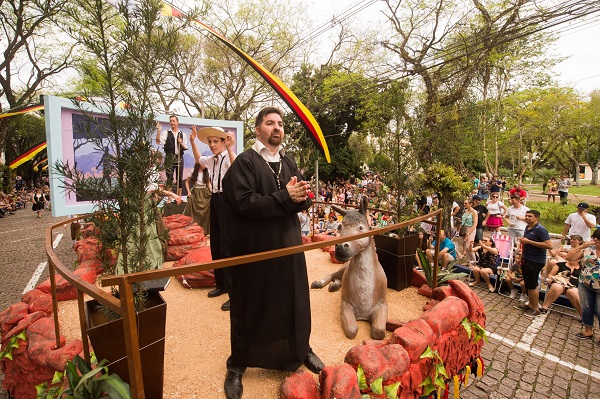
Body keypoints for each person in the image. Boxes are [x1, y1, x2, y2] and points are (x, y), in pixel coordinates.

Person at [221, 107, 324, 399]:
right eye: (269, 123)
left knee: (294, 300)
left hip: (289, 245)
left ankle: (301, 348)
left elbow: (302, 199)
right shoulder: (244, 163)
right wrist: (284, 197)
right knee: (252, 302)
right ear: (257, 130)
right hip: (257, 250)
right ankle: (238, 363)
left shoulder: (288, 161)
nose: (276, 128)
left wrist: (299, 196)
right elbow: (244, 203)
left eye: (279, 123)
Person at [189, 125, 237, 311]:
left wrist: (231, 147)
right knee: (216, 244)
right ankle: (222, 285)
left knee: (227, 246)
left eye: (215, 141)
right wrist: (193, 141)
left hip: (227, 200)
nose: (212, 145)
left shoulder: (228, 156)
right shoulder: (211, 160)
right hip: (215, 199)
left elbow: (236, 167)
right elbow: (198, 159)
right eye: (210, 142)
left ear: (224, 142)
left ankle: (235, 292)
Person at [513, 210, 553, 318]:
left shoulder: (541, 230)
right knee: (528, 283)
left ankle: (535, 308)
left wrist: (529, 242)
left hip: (535, 261)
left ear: (537, 218)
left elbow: (549, 245)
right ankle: (530, 303)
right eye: (526, 216)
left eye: (530, 216)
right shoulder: (527, 227)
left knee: (532, 285)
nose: (527, 217)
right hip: (527, 259)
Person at [566, 229, 600, 341]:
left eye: (598, 239)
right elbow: (570, 258)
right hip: (585, 283)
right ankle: (588, 331)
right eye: (594, 237)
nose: (595, 240)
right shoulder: (588, 249)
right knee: (586, 307)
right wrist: (581, 246)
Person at [539, 239, 582, 316]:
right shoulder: (561, 264)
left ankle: (582, 315)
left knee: (573, 292)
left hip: (573, 286)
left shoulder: (582, 269)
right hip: (559, 283)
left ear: (579, 259)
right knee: (557, 287)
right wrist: (550, 278)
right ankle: (544, 307)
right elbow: (550, 275)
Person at [156, 115, 188, 196]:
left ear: (177, 122)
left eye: (173, 121)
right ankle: (170, 197)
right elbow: (158, 141)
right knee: (169, 177)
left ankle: (179, 196)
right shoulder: (166, 132)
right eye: (171, 121)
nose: (172, 122)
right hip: (169, 157)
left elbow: (185, 147)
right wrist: (159, 131)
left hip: (179, 157)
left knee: (179, 178)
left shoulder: (182, 134)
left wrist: (181, 143)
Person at [183, 162, 211, 235]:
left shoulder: (207, 171)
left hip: (205, 192)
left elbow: (208, 183)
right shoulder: (193, 171)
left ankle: (205, 231)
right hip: (196, 192)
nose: (205, 165)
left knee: (206, 212)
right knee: (194, 211)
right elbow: (187, 182)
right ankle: (194, 229)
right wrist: (188, 192)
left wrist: (212, 192)